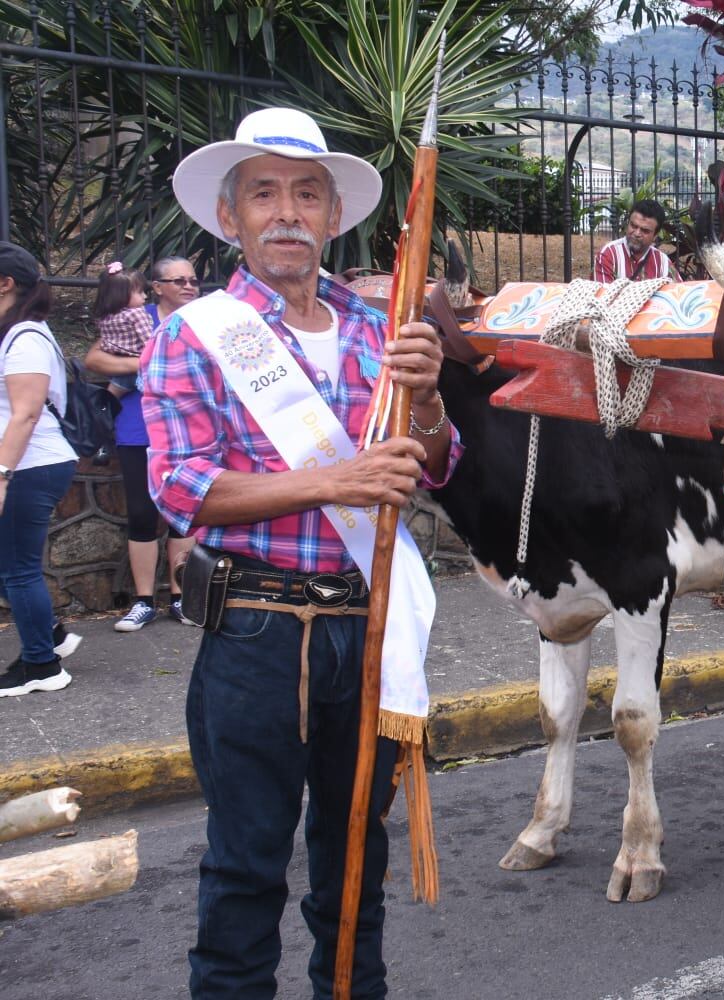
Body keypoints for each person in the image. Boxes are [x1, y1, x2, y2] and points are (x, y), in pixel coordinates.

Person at [140, 106, 461, 998]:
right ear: (231, 215)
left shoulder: (378, 332)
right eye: (265, 193)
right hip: (256, 631)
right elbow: (183, 489)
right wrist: (336, 481)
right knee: (245, 867)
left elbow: (434, 465)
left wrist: (429, 402)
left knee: (356, 861)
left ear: (332, 218)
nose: (287, 212)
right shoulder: (194, 332)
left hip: (365, 626)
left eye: (307, 194)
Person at [85, 259, 198, 630]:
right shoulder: (137, 315)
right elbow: (95, 358)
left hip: (190, 430)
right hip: (138, 429)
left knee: (184, 516)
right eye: (178, 280)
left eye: (192, 280)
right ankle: (144, 600)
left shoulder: (206, 318)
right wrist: (145, 362)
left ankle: (182, 598)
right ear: (156, 286)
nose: (188, 285)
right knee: (141, 514)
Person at [0, 242, 79, 697]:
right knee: (9, 564)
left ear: (6, 284)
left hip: (31, 465)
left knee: (17, 568)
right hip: (26, 464)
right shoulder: (15, 332)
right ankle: (48, 634)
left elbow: (25, 414)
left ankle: (42, 667)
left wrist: (2, 474)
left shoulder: (26, 337)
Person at [593, 198, 678, 282]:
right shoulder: (609, 255)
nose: (637, 233)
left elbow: (679, 292)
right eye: (633, 226)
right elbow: (604, 294)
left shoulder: (663, 262)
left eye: (645, 231)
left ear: (655, 235)